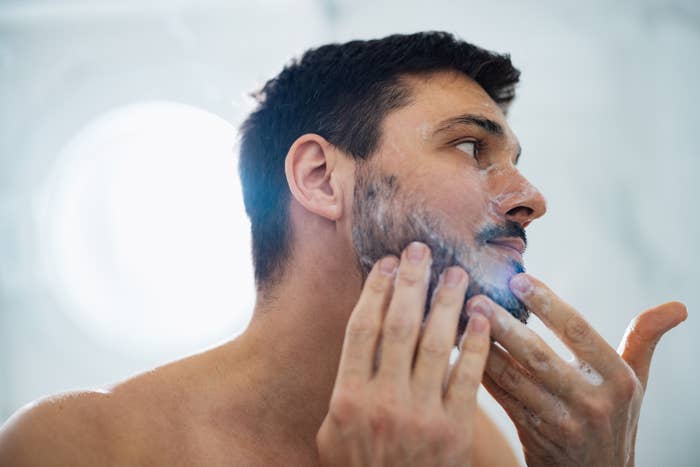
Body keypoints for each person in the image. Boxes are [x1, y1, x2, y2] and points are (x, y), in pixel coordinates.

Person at [0, 31, 687, 467]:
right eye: (471, 146)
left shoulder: (472, 445)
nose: (532, 198)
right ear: (321, 178)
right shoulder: (78, 446)